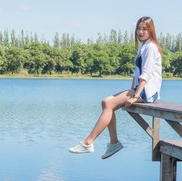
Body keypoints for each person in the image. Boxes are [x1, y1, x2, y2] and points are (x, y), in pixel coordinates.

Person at [69, 16, 162, 159]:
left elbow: (146, 74)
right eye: (138, 28)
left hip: (147, 92)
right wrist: (131, 90)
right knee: (106, 102)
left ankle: (89, 142)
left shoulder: (151, 47)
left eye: (144, 29)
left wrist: (135, 96)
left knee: (109, 104)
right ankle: (113, 143)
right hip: (139, 88)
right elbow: (136, 74)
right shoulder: (143, 47)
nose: (140, 32)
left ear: (151, 31)